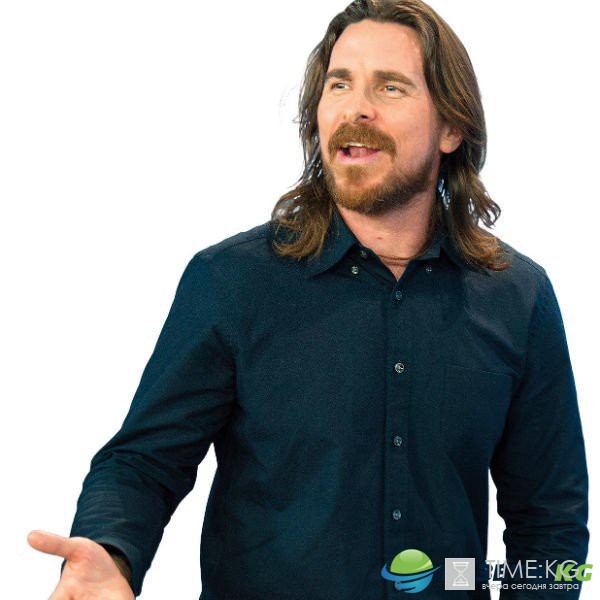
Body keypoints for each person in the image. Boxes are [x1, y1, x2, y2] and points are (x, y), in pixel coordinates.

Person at [28, 0, 589, 598]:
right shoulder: (232, 281)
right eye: (339, 84)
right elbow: (145, 462)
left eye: (390, 87)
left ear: (451, 128)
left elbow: (550, 520)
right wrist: (113, 553)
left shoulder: (518, 296)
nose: (356, 107)